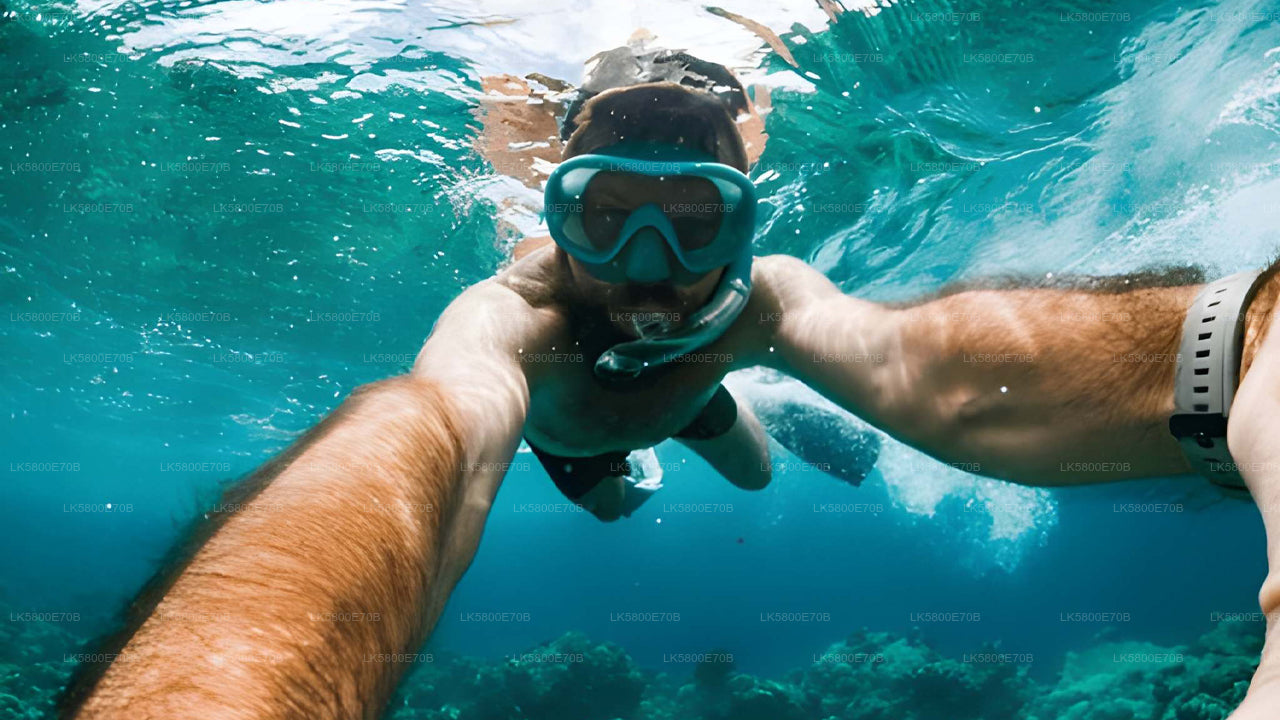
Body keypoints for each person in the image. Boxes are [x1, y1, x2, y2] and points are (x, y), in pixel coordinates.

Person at [61, 44, 1280, 720]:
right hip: (578, 431)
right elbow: (421, 443)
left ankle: (749, 407)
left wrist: (1251, 345)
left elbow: (940, 376)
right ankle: (689, 428)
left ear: (744, 222)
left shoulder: (769, 298)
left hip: (702, 385)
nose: (646, 264)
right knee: (616, 499)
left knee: (749, 474)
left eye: (693, 219)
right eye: (608, 218)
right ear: (556, 217)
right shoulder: (509, 317)